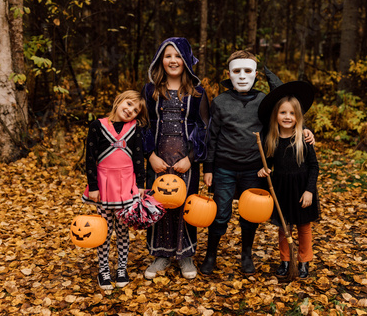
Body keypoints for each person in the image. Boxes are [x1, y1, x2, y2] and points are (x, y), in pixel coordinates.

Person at [201, 51, 314, 275]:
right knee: (220, 212)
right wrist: (209, 167)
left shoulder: (264, 100)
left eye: (248, 71)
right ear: (229, 74)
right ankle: (210, 255)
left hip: (255, 168)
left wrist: (306, 130)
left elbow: (287, 111)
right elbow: (211, 137)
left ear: (255, 74)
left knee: (249, 214)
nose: (242, 76)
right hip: (224, 167)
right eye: (237, 71)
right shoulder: (220, 102)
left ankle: (246, 254)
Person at [141, 37, 210, 280]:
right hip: (159, 158)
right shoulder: (151, 90)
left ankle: (185, 255)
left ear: (187, 60)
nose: (173, 60)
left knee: (185, 205)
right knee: (159, 204)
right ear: (161, 59)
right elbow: (144, 125)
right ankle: (161, 255)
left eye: (178, 56)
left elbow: (203, 128)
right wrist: (150, 156)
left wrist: (192, 158)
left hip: (185, 160)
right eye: (168, 55)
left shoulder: (197, 93)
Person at [81, 90, 148, 290]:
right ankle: (103, 269)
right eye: (128, 104)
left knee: (122, 230)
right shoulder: (97, 126)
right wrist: (93, 186)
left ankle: (121, 268)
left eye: (135, 110)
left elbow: (139, 157)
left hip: (127, 184)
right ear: (118, 101)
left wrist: (141, 184)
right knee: (104, 230)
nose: (130, 110)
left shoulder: (135, 128)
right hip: (104, 184)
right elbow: (90, 158)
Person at [257, 68, 320, 279]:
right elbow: (270, 163)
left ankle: (304, 261)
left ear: (298, 116)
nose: (287, 117)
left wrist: (310, 191)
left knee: (303, 227)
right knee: (284, 228)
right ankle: (285, 260)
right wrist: (264, 169)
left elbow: (314, 166)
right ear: (276, 115)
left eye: (292, 113)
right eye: (283, 112)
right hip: (282, 189)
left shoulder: (304, 138)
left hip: (302, 189)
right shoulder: (272, 140)